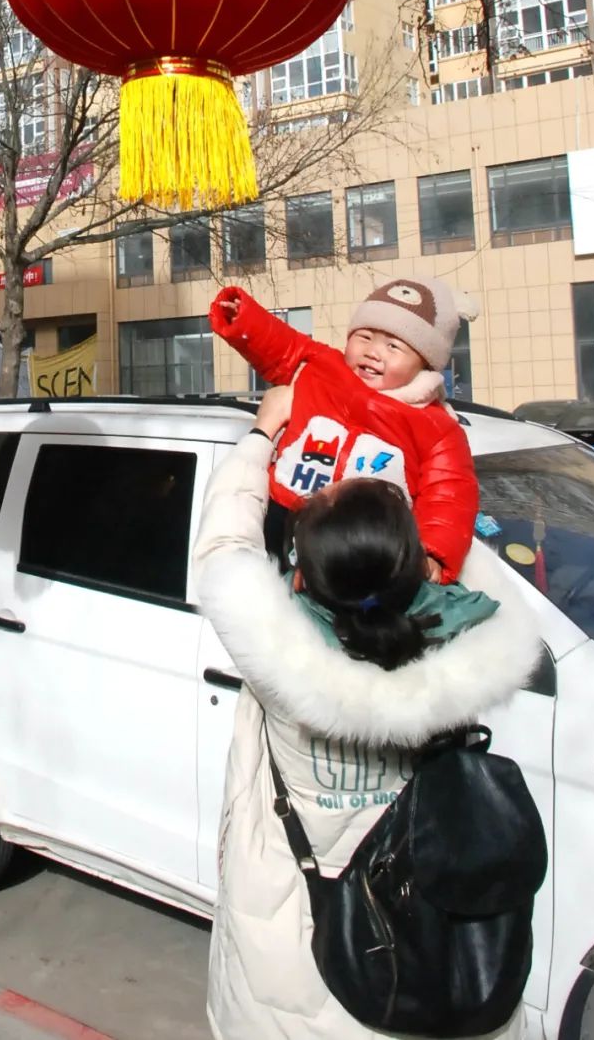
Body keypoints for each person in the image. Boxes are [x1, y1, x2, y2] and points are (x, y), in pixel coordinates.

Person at [194, 385, 540, 1040]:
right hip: (451, 979)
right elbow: (460, 547)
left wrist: (263, 435)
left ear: (299, 578)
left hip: (302, 987)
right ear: (418, 564)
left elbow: (223, 553)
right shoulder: (470, 647)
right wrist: (420, 434)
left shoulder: (287, 668)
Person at [211, 276, 480, 582]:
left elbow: (449, 494)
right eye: (364, 337)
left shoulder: (438, 427)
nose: (373, 352)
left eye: (393, 346)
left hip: (360, 544)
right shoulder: (323, 367)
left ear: (425, 362)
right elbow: (282, 345)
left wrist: (431, 554)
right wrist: (244, 317)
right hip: (283, 511)